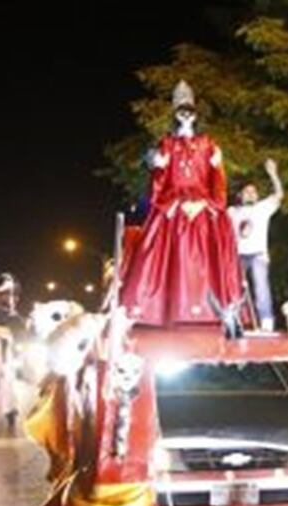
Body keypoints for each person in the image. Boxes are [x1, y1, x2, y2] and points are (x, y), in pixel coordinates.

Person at [118, 80, 244, 327]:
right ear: (175, 114)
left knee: (210, 252)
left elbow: (216, 180)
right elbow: (160, 181)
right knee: (157, 249)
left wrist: (211, 203)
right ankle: (159, 309)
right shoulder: (167, 144)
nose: (186, 115)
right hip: (173, 202)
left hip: (203, 203)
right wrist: (160, 171)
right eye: (181, 111)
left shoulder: (208, 143)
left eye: (189, 111)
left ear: (196, 115)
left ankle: (214, 311)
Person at [228, 158, 284, 332]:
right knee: (234, 287)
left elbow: (279, 195)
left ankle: (266, 321)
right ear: (241, 195)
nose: (251, 194)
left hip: (258, 254)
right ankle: (233, 319)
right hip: (238, 255)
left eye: (254, 192)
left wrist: (273, 174)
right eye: (247, 192)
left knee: (261, 287)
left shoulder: (263, 208)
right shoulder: (232, 212)